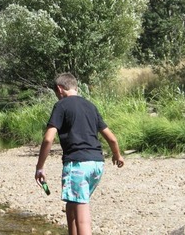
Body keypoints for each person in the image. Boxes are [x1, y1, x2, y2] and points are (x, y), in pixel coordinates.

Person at [35, 72, 124, 235]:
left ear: (60, 89)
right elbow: (111, 138)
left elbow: (48, 139)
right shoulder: (90, 106)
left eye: (56, 94)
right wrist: (117, 155)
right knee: (72, 203)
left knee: (82, 214)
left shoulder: (61, 106)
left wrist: (39, 167)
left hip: (78, 165)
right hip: (97, 164)